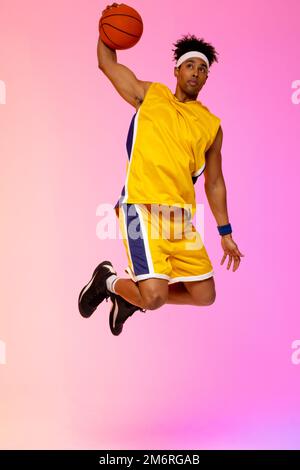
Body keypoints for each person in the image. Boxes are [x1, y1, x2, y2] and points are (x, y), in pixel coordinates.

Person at [78, 3, 244, 336]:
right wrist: (105, 28)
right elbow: (106, 62)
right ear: (177, 71)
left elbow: (215, 183)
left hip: (180, 218)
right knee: (154, 297)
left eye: (202, 68)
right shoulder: (149, 95)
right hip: (142, 207)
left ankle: (129, 299)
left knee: (205, 294)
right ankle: (108, 281)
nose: (196, 72)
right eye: (189, 65)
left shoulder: (211, 125)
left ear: (207, 76)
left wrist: (225, 233)